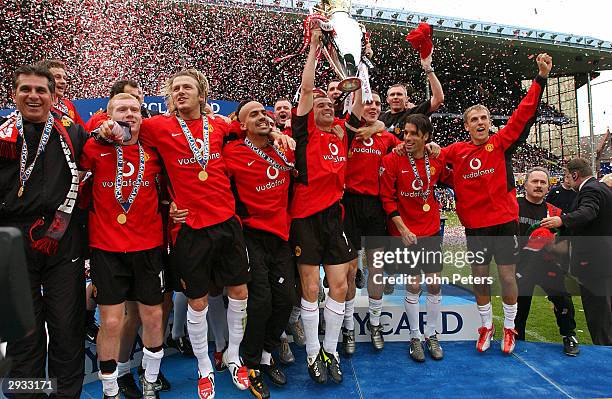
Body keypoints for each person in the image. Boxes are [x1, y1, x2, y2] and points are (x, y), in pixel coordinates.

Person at [98, 69, 294, 398]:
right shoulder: (157, 127)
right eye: (175, 89)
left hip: (227, 224)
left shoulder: (220, 126)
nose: (180, 93)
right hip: (189, 228)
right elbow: (122, 129)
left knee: (240, 294)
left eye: (187, 87)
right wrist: (105, 128)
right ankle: (204, 365)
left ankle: (232, 357)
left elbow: (252, 126)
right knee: (198, 301)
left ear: (202, 95)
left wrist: (276, 132)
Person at [440, 53, 553, 354]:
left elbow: (523, 113)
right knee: (479, 278)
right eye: (474, 119)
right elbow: (435, 159)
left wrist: (540, 79)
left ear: (490, 123)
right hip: (474, 227)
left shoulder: (500, 143)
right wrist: (426, 145)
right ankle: (486, 325)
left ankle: (510, 327)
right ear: (466, 126)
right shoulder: (456, 152)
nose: (480, 123)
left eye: (484, 119)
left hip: (503, 222)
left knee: (505, 277)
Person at [0, 65, 88, 398]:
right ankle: (29, 394)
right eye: (26, 90)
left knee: (66, 328)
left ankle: (64, 395)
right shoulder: (2, 135)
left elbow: (111, 151)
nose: (33, 96)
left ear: (54, 97)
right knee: (24, 334)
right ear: (14, 95)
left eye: (41, 90)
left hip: (61, 239)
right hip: (10, 241)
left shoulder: (73, 134)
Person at [291, 25, 363, 384]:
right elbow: (306, 89)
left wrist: (357, 70)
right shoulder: (304, 133)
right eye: (318, 104)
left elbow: (360, 105)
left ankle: (330, 350)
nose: (324, 105)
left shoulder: (342, 133)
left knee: (339, 286)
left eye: (328, 103)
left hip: (335, 218)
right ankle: (311, 355)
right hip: (304, 217)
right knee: (310, 288)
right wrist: (314, 50)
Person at [81, 93, 165, 398]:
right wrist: (98, 131)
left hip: (148, 247)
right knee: (112, 321)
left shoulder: (154, 152)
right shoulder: (94, 148)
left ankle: (150, 380)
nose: (128, 114)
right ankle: (110, 389)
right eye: (121, 109)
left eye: (134, 109)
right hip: (106, 248)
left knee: (153, 316)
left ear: (142, 117)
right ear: (108, 115)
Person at [223, 101, 296, 399]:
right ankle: (251, 362)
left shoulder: (283, 147)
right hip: (251, 234)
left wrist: (280, 133)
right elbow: (216, 133)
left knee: (286, 298)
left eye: (263, 113)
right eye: (253, 115)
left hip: (282, 234)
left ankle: (267, 352)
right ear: (241, 125)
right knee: (261, 300)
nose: (262, 117)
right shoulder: (233, 151)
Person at [380, 114, 450, 362]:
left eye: (413, 134)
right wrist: (402, 228)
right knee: (413, 284)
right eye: (405, 133)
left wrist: (441, 152)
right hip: (406, 233)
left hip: (430, 229)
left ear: (426, 137)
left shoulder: (436, 159)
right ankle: (414, 337)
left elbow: (450, 178)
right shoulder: (393, 160)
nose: (407, 138)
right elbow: (386, 198)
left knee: (434, 284)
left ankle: (432, 334)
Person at [342, 90, 400, 353]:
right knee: (350, 271)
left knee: (375, 267)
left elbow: (407, 149)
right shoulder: (347, 131)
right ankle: (348, 327)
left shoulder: (387, 137)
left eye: (377, 103)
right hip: (350, 204)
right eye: (368, 102)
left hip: (376, 206)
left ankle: (375, 323)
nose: (373, 106)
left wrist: (431, 147)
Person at [542, 158, 612, 345]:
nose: (567, 181)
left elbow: (588, 212)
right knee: (605, 309)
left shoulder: (591, 190)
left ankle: (605, 352)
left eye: (568, 176)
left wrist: (561, 220)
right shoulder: (601, 187)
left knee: (598, 312)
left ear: (575, 175)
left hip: (595, 262)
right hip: (604, 258)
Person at [515, 167, 579, 356]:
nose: (539, 185)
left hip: (548, 266)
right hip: (520, 266)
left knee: (563, 300)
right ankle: (517, 340)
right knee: (519, 307)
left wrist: (552, 245)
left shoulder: (555, 212)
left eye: (543, 182)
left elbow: (565, 243)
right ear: (525, 184)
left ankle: (569, 335)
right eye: (534, 181)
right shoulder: (512, 205)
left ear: (548, 187)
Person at [379, 49, 444, 139]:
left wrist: (428, 69)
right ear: (387, 100)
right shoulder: (379, 116)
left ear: (407, 99)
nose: (395, 97)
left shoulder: (413, 114)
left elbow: (438, 98)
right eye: (392, 94)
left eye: (399, 94)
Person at [35, 59, 85, 126]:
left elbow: (84, 133)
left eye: (64, 78)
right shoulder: (36, 107)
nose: (63, 81)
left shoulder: (68, 105)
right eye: (57, 77)